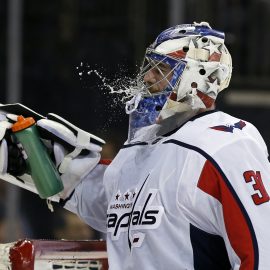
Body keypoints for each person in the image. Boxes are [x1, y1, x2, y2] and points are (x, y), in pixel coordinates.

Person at [0, 21, 270, 269]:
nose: (148, 78)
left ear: (199, 76)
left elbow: (261, 253)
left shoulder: (225, 144)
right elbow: (116, 211)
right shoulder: (139, 147)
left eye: (162, 69)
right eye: (150, 67)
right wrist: (55, 167)